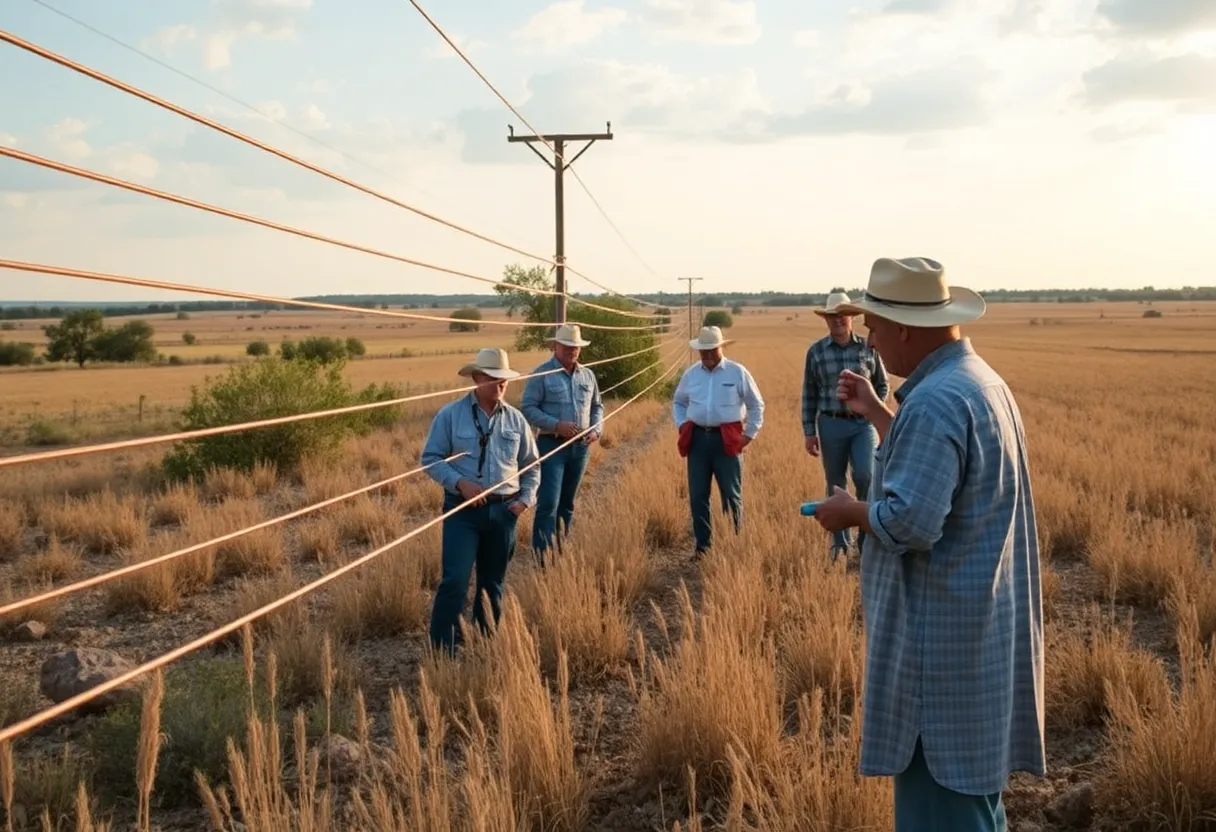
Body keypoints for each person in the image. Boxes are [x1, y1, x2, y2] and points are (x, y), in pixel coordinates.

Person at [813, 257, 1045, 832]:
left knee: (943, 810)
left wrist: (849, 512)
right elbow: (937, 471)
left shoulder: (937, 400)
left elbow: (911, 522)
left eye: (873, 324)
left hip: (938, 658)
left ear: (905, 330)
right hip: (977, 641)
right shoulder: (978, 382)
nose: (868, 335)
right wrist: (879, 411)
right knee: (975, 803)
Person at [421, 347, 540, 653]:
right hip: (462, 513)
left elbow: (532, 466)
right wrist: (459, 483)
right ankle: (442, 651)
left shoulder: (517, 420)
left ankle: (485, 643)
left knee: (493, 584)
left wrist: (524, 501)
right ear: (476, 378)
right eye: (493, 379)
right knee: (455, 581)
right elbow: (431, 459)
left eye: (504, 380)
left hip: (504, 512)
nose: (501, 385)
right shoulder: (450, 415)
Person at [803, 290, 890, 562]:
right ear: (827, 320)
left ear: (851, 317)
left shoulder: (867, 348)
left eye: (843, 315)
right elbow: (809, 394)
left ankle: (865, 537)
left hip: (863, 425)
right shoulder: (816, 352)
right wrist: (809, 431)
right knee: (835, 480)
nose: (838, 320)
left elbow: (882, 384)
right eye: (832, 316)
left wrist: (873, 408)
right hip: (830, 424)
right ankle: (839, 544)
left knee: (866, 475)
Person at [672, 325, 765, 561]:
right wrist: (683, 425)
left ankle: (732, 547)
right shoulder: (691, 374)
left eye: (711, 349)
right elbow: (679, 402)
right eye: (703, 350)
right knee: (698, 495)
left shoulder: (737, 372)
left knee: (731, 495)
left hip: (728, 441)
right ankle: (703, 547)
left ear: (721, 347)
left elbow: (756, 405)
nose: (707, 354)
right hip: (697, 441)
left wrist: (749, 435)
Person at [520, 323, 604, 565]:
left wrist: (596, 430)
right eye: (567, 346)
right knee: (548, 502)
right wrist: (557, 425)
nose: (572, 350)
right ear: (555, 346)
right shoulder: (541, 374)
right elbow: (528, 408)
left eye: (575, 346)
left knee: (567, 502)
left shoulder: (587, 375)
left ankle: (559, 550)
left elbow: (598, 406)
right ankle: (543, 559)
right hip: (551, 446)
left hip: (580, 448)